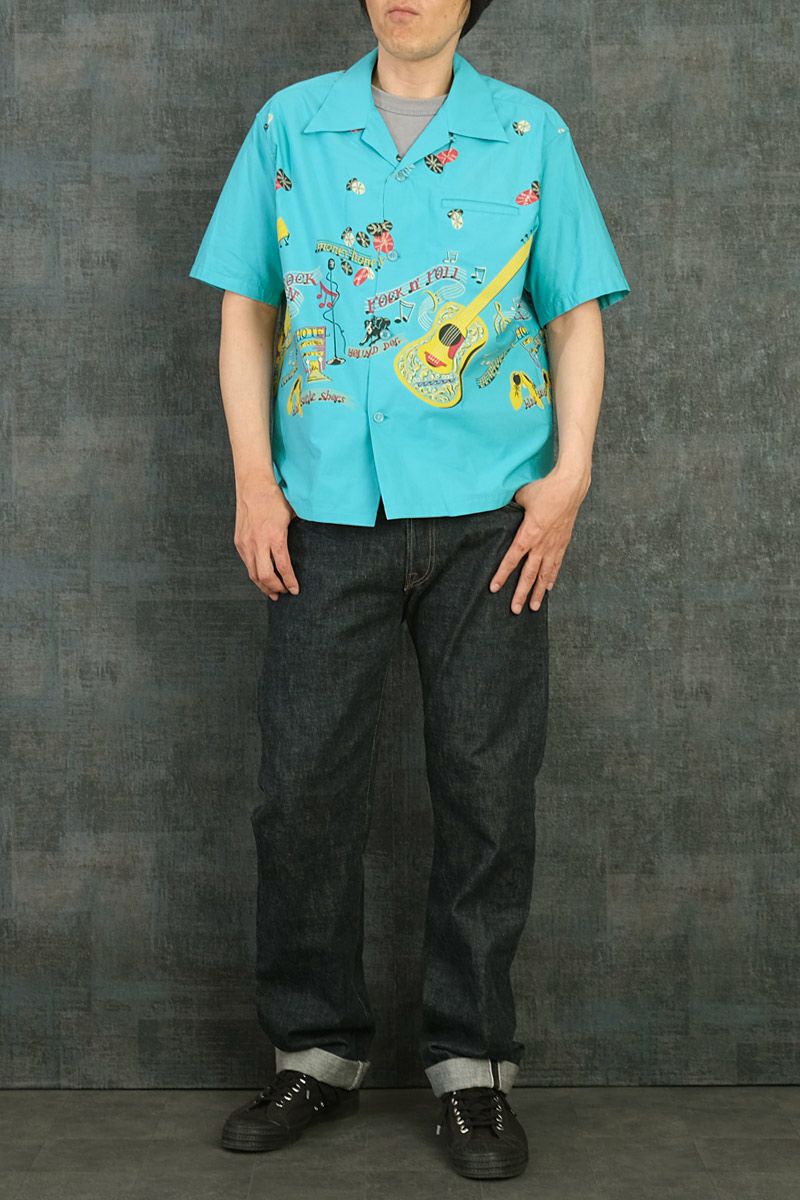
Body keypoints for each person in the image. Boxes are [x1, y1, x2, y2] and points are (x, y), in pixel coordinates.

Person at [188, 0, 630, 1181]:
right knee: (299, 792)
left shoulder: (529, 135)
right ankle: (313, 1049)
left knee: (485, 790)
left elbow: (573, 314)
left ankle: (470, 1067)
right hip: (322, 514)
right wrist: (253, 482)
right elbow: (247, 308)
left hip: (491, 520)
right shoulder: (291, 127)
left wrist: (568, 479)